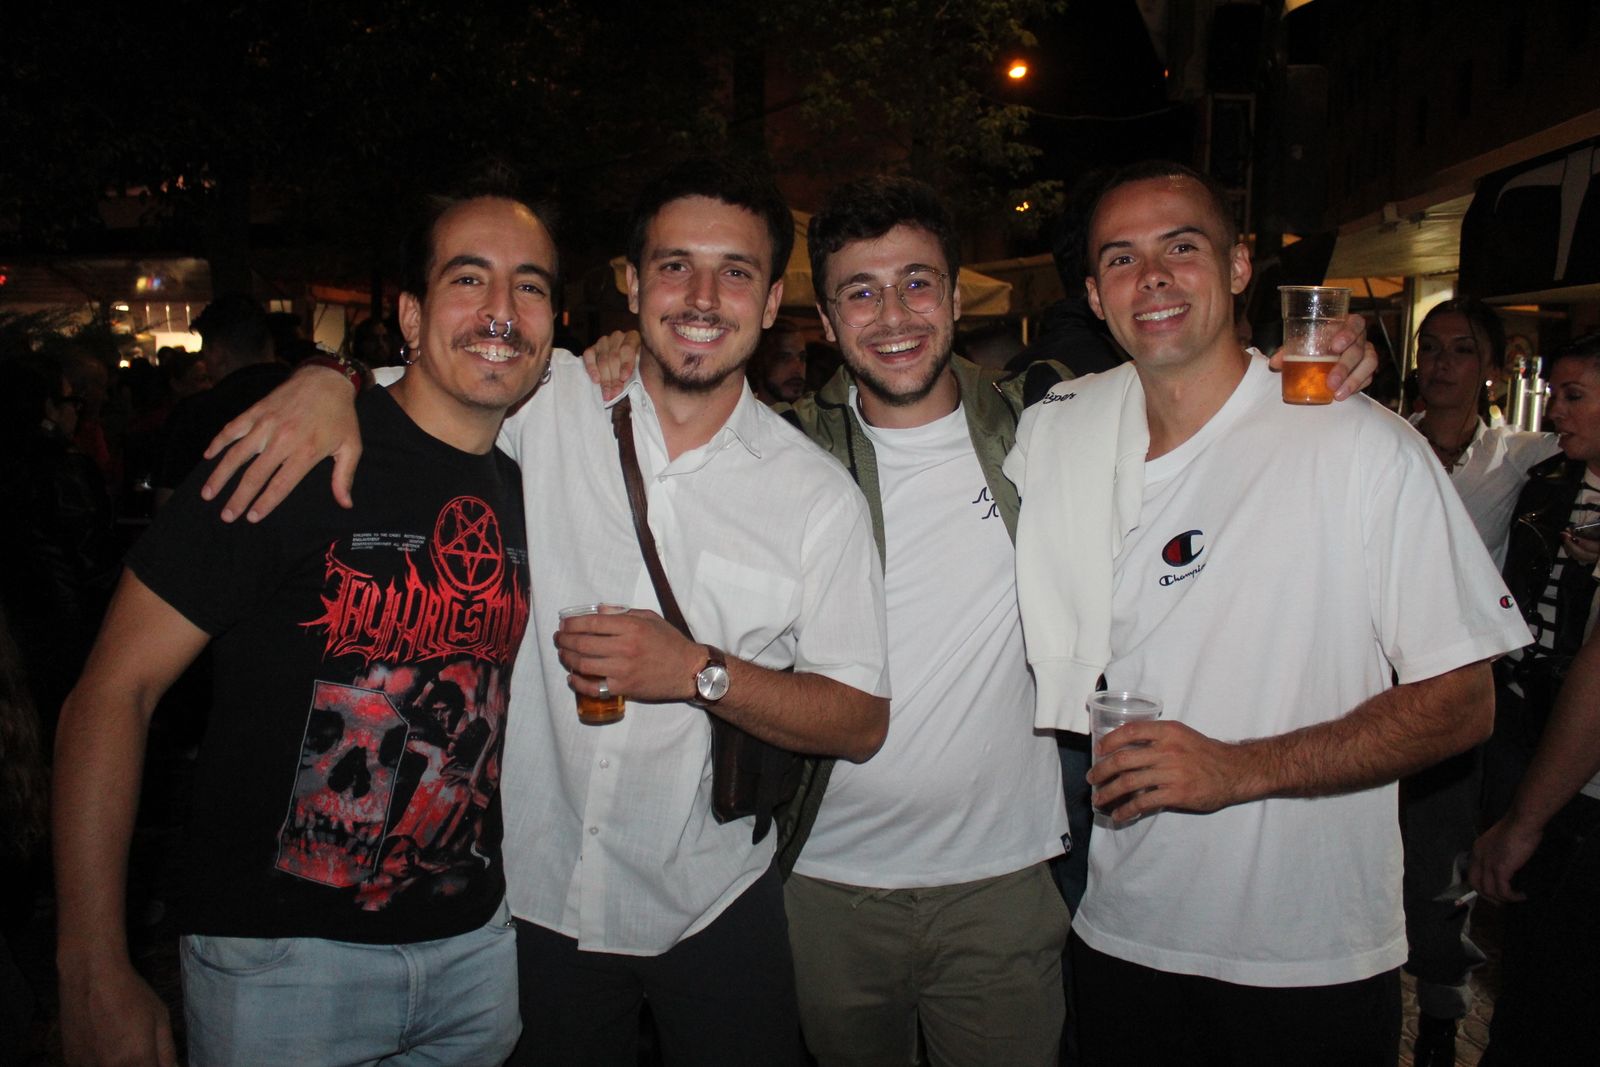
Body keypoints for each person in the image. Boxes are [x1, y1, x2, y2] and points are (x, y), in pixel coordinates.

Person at [197, 159, 891, 1067]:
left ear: (770, 306)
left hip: (708, 899)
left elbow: (860, 717)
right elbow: (421, 378)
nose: (703, 296)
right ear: (631, 284)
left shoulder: (815, 496)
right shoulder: (548, 397)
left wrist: (695, 671)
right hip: (523, 898)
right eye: (676, 265)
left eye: (737, 271)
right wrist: (330, 375)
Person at [1004, 160, 1532, 1066]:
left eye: (1182, 247)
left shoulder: (1359, 442)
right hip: (1123, 929)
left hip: (1309, 955)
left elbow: (1463, 700)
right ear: (1095, 296)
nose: (1155, 277)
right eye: (1122, 260)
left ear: (1241, 266)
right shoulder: (1057, 435)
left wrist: (1238, 769)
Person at [53, 192, 556, 1066]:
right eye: (468, 278)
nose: (501, 312)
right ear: (408, 311)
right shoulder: (296, 450)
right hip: (282, 967)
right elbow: (112, 690)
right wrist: (91, 961)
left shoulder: (526, 484)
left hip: (473, 955)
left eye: (530, 286)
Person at [779, 176, 1073, 1067]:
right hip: (827, 882)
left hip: (1003, 880)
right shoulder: (778, 452)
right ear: (826, 321)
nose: (893, 312)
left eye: (916, 281)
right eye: (860, 291)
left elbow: (1197, 396)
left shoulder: (1047, 422)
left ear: (951, 295)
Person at [1400, 297, 1562, 1065]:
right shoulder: (1380, 437)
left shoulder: (1518, 456)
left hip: (1454, 695)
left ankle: (1439, 1015)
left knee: (1439, 863)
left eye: (1462, 350)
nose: (1441, 364)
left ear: (1493, 368)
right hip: (1365, 685)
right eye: (1431, 348)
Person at [1470, 333, 1600, 1065]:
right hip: (1532, 723)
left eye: (1575, 396)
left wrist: (1525, 818)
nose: (1556, 411)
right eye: (1554, 394)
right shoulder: (1550, 481)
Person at [155, 293, 281, 506]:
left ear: (216, 352)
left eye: (204, 351)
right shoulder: (317, 400)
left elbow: (168, 504)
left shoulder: (196, 414)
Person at [748, 316, 809, 404]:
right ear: (760, 362)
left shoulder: (812, 415)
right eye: (784, 358)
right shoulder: (741, 415)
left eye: (802, 358)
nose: (798, 369)